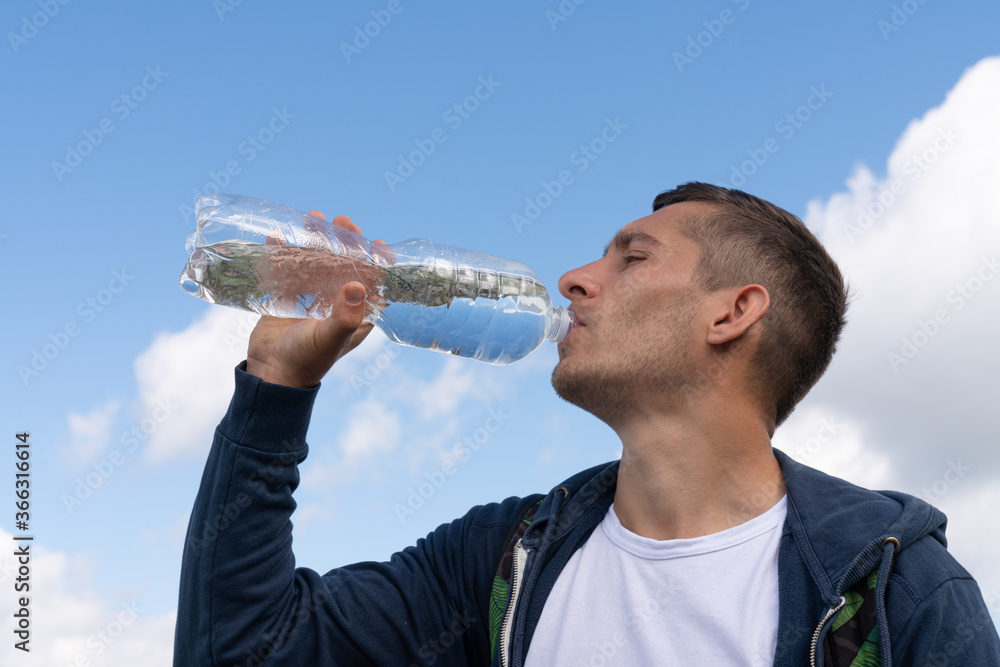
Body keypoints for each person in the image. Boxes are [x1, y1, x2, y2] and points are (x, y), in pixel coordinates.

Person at [173, 182, 1000, 666]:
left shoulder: (900, 593)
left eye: (631, 257)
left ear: (735, 311)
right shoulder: (501, 561)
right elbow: (245, 650)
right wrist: (276, 385)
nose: (572, 278)